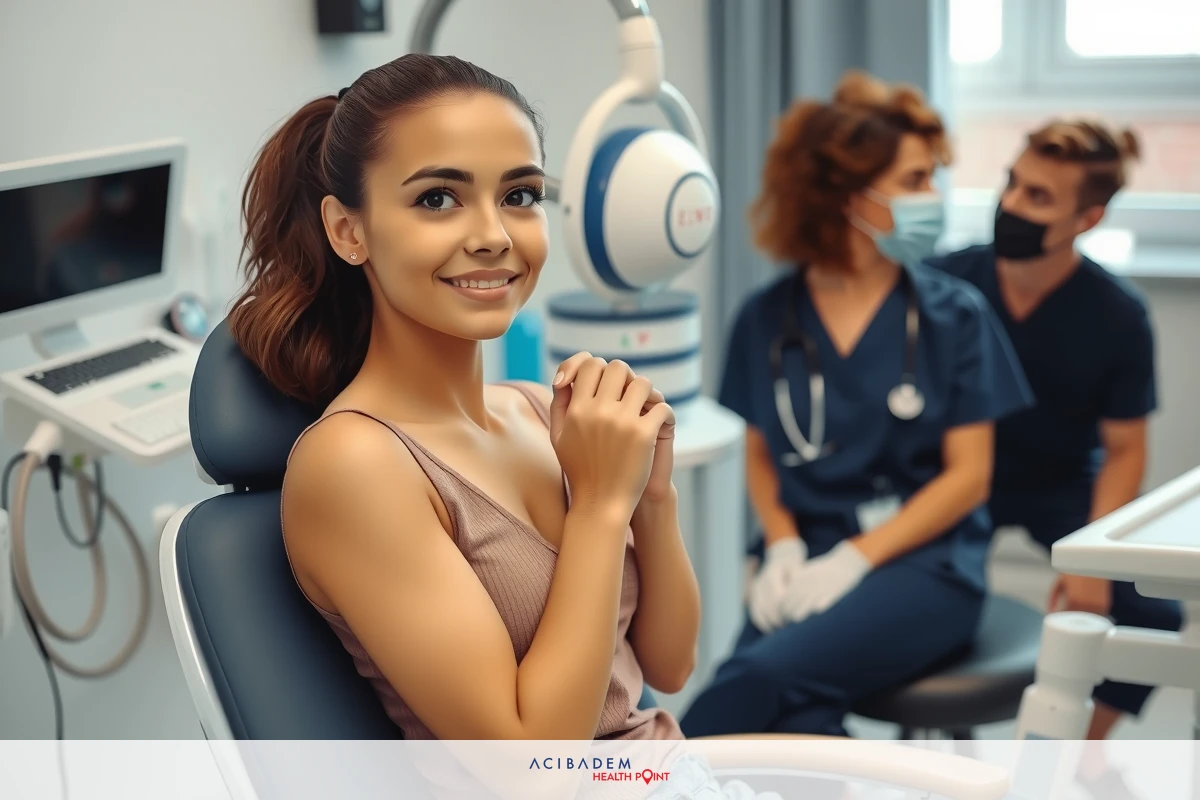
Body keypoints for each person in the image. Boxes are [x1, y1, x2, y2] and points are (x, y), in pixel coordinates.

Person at [228, 54, 701, 743]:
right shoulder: (354, 464)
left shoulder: (541, 411)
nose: (493, 236)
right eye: (437, 199)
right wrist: (599, 506)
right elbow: (530, 772)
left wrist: (651, 497)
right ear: (347, 231)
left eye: (519, 196)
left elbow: (671, 662)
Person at [679, 71, 1033, 738]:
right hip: (805, 557)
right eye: (915, 181)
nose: (934, 198)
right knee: (797, 715)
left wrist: (857, 558)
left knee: (757, 677)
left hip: (926, 564)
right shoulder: (765, 318)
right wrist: (782, 547)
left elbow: (969, 479)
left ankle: (634, 778)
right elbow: (760, 453)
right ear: (846, 195)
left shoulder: (955, 316)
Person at [926, 121, 1183, 756]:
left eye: (1038, 197)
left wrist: (1091, 561)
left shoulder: (1118, 316)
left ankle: (1074, 762)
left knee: (1155, 616)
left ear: (1087, 218)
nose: (1010, 204)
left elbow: (1124, 450)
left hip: (1059, 481)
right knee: (910, 597)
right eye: (1012, 184)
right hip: (954, 476)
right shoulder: (942, 287)